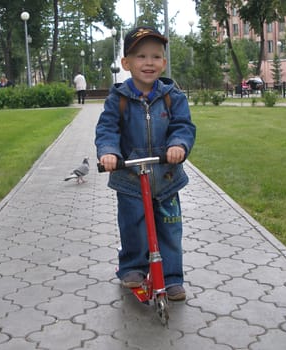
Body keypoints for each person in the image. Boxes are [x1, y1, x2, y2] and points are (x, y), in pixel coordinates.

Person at [95, 26, 196, 301]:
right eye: (140, 56)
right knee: (133, 227)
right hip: (130, 179)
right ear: (126, 63)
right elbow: (107, 129)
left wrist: (178, 145)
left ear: (164, 62)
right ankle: (132, 267)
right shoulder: (118, 98)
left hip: (166, 178)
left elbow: (183, 125)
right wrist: (108, 152)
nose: (148, 63)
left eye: (155, 56)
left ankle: (172, 277)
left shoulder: (171, 96)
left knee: (170, 230)